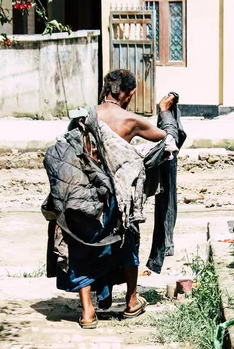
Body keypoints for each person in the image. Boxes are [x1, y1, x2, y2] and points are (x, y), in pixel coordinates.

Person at [58, 69, 176, 328]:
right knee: (127, 240)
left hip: (83, 195)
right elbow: (167, 140)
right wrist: (164, 111)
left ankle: (88, 312)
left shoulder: (83, 116)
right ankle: (132, 301)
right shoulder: (131, 121)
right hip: (115, 197)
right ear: (130, 94)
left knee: (82, 246)